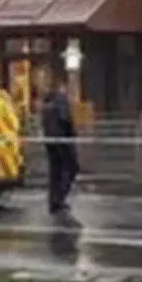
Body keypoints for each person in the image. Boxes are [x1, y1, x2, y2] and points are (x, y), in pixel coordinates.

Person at [40, 82, 79, 214]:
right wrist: (72, 133)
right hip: (63, 140)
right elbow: (65, 119)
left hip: (50, 140)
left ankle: (53, 200)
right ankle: (60, 198)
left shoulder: (46, 103)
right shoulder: (60, 101)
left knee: (54, 171)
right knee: (70, 167)